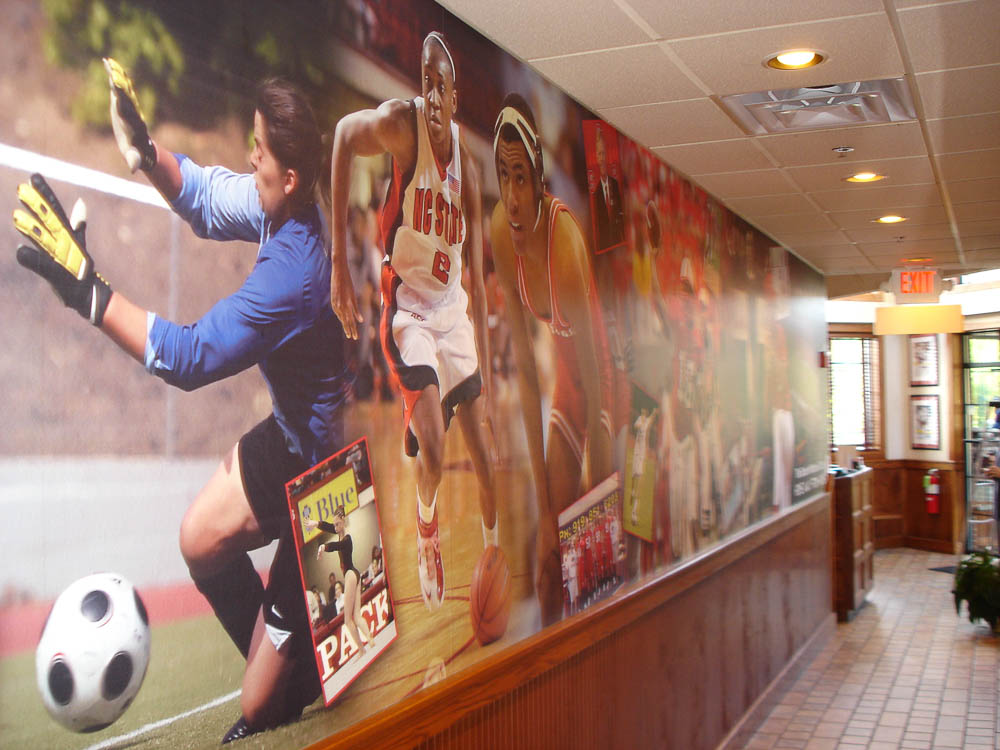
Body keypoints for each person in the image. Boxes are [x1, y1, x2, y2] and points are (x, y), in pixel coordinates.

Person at [12, 59, 351, 742]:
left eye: (257, 149)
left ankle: (294, 665)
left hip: (331, 479)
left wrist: (90, 293)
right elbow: (203, 194)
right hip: (293, 438)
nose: (247, 155)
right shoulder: (277, 197)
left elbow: (190, 357)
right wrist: (145, 153)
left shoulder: (293, 274)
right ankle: (299, 655)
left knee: (262, 713)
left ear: (289, 176)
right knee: (199, 541)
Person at [328, 31, 498, 609]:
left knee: (479, 449)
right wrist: (338, 266)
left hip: (452, 312)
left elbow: (475, 275)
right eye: (424, 80)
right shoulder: (402, 125)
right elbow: (344, 136)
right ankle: (427, 532)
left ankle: (489, 552)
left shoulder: (468, 171)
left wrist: (489, 377)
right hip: (408, 312)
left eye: (440, 84)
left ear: (455, 98)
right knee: (433, 446)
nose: (429, 92)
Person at [490, 93, 614, 625]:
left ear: (538, 178)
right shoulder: (500, 230)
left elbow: (594, 376)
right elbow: (524, 373)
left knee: (592, 556)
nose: (512, 196)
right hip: (567, 381)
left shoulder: (564, 245)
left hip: (603, 386)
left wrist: (593, 490)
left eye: (521, 177)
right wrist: (543, 513)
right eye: (503, 176)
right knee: (548, 566)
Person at [305, 506, 374, 659]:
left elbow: (337, 546)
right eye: (334, 524)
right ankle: (370, 638)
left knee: (347, 619)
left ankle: (362, 649)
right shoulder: (339, 532)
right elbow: (328, 527)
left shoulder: (347, 539)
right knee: (356, 615)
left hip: (350, 574)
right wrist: (315, 523)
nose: (335, 527)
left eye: (337, 524)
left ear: (343, 521)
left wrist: (324, 546)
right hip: (354, 574)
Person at [591, 126, 625, 250]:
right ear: (597, 157)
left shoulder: (615, 185)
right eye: (600, 154)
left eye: (604, 153)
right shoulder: (596, 194)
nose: (602, 157)